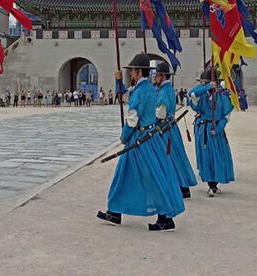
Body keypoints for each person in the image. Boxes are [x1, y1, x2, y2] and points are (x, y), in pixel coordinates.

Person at [97, 54, 184, 231]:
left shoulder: (141, 91)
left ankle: (166, 217)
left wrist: (123, 136)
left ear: (138, 72)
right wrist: (118, 82)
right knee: (125, 175)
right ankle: (114, 212)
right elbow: (124, 96)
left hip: (139, 141)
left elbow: (132, 119)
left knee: (152, 176)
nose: (131, 73)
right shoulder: (149, 89)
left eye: (132, 71)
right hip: (149, 138)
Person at [153, 61, 197, 199]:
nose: (155, 78)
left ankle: (181, 186)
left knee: (171, 158)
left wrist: (148, 117)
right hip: (171, 127)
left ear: (162, 76)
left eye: (157, 75)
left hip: (165, 128)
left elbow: (160, 113)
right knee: (177, 157)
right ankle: (183, 187)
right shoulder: (168, 89)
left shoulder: (165, 91)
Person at [189, 68, 235, 197]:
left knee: (218, 157)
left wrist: (219, 128)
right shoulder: (202, 97)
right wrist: (205, 87)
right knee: (207, 157)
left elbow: (226, 116)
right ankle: (211, 185)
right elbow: (192, 95)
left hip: (216, 131)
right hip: (204, 130)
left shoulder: (222, 98)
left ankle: (215, 183)